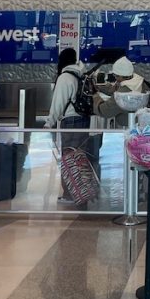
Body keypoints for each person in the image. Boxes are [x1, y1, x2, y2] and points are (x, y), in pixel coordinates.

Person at [46, 48, 94, 204]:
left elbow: (58, 103)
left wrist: (49, 122)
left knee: (69, 158)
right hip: (84, 119)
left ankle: (69, 194)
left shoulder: (65, 77)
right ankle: (83, 192)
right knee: (80, 157)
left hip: (71, 121)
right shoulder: (81, 75)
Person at [94, 55, 146, 127]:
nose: (115, 79)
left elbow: (105, 111)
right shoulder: (138, 82)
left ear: (120, 76)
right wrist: (98, 87)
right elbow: (114, 89)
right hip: (140, 123)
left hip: (128, 127)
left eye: (115, 76)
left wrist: (95, 96)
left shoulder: (123, 94)